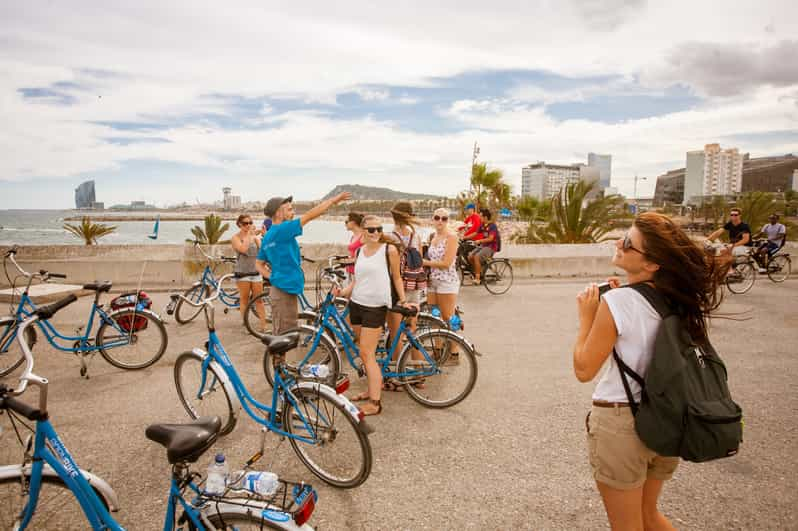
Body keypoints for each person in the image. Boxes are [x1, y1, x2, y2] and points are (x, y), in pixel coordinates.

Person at [573, 212, 723, 531]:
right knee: (648, 516)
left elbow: (584, 368)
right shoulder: (680, 301)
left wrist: (587, 316)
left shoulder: (618, 301)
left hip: (621, 424)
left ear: (652, 263)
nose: (618, 243)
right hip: (668, 419)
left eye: (628, 243)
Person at [337, 215, 408, 416]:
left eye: (379, 229)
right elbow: (357, 280)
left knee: (367, 354)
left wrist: (403, 301)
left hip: (375, 307)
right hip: (357, 303)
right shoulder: (360, 251)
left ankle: (375, 404)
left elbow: (397, 277)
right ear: (363, 231)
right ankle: (372, 388)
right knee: (365, 352)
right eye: (371, 230)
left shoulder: (389, 250)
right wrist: (343, 292)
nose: (376, 233)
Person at [255, 192, 351, 338]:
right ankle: (278, 361)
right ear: (279, 213)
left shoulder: (269, 234)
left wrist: (273, 277)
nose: (293, 212)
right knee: (285, 335)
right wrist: (333, 200)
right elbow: (310, 215)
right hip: (284, 291)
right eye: (289, 209)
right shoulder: (282, 230)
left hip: (282, 288)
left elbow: (258, 264)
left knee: (282, 332)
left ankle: (279, 361)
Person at [385, 202, 423, 365]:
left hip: (396, 288)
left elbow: (389, 268)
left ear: (393, 216)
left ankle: (399, 375)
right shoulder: (416, 236)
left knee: (395, 334)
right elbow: (420, 260)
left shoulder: (390, 237)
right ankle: (419, 373)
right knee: (412, 331)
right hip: (414, 285)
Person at [423, 207, 461, 363]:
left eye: (444, 218)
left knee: (448, 317)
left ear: (448, 221)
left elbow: (446, 263)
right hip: (433, 281)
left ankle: (455, 352)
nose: (440, 221)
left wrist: (425, 262)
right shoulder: (433, 236)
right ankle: (438, 350)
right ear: (432, 219)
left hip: (447, 282)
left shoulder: (451, 237)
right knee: (435, 316)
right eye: (437, 217)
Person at [231, 214, 266, 331]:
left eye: (250, 223)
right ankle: (246, 325)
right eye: (245, 223)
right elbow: (243, 249)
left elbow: (263, 251)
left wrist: (263, 236)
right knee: (244, 300)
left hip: (256, 273)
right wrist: (249, 235)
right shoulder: (235, 238)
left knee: (259, 300)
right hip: (243, 273)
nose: (248, 225)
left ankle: (263, 326)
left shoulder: (254, 237)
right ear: (240, 225)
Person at [468, 208, 499, 284]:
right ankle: (480, 271)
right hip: (484, 245)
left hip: (491, 247)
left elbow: (490, 238)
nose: (479, 218)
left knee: (477, 257)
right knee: (470, 256)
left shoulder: (492, 226)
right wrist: (464, 237)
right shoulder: (482, 225)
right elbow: (475, 233)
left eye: (481, 216)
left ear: (485, 217)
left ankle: (478, 279)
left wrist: (479, 241)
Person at [345, 211, 364, 277]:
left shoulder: (363, 237)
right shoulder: (353, 236)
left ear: (353, 222)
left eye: (346, 222)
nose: (345, 224)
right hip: (349, 270)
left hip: (358, 272)